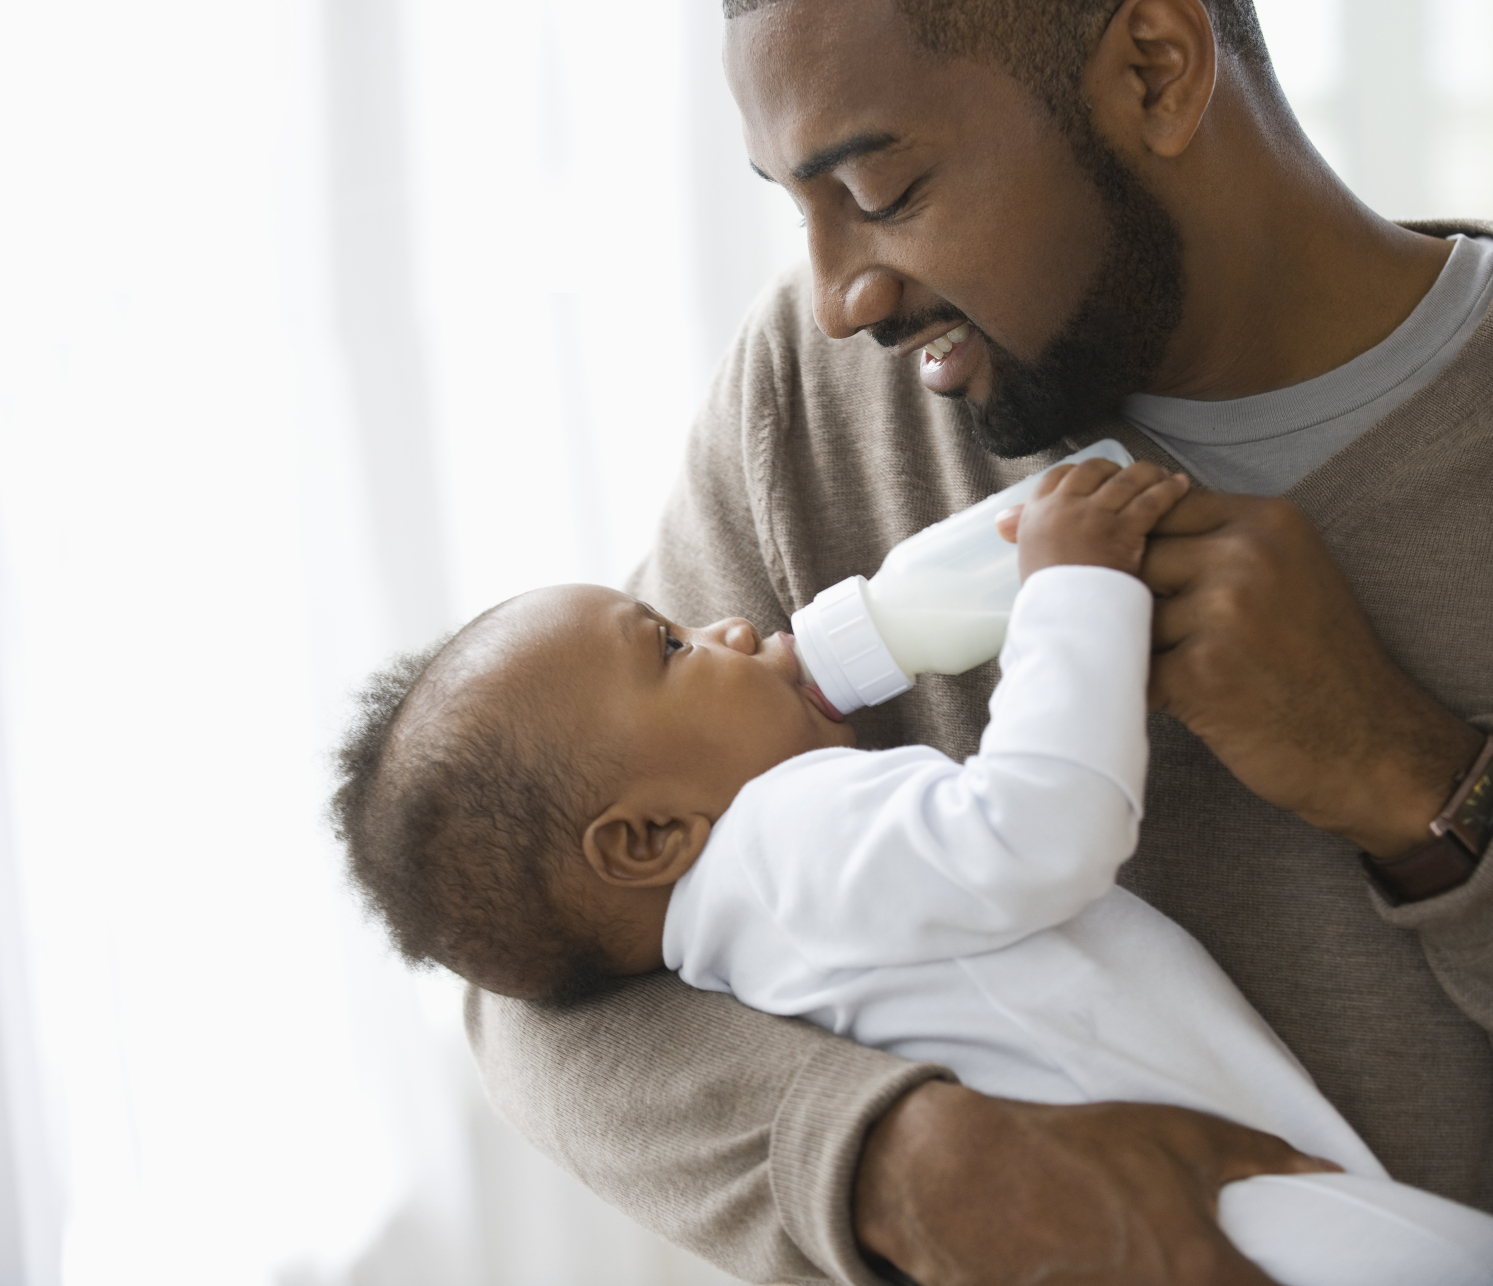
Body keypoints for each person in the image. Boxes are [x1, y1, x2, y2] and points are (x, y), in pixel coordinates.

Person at [466, 1, 1493, 1282]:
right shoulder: (820, 390)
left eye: (881, 189)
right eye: (797, 205)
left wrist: (1420, 784)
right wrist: (904, 1161)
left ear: (1155, 71)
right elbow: (530, 943)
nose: (840, 296)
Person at [335, 459, 1493, 1284]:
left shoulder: (732, 942)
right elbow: (1040, 825)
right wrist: (1068, 589)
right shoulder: (790, 836)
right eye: (672, 648)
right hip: (1225, 1223)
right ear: (643, 840)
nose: (734, 625)